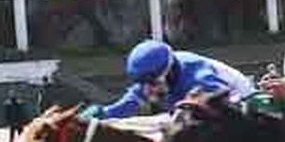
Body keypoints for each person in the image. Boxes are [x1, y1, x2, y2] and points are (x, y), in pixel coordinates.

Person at [84, 39, 254, 120]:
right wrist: (97, 114)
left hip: (240, 102)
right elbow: (124, 106)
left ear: (168, 73)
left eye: (151, 84)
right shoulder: (150, 77)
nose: (146, 90)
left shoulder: (199, 79)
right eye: (143, 85)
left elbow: (225, 113)